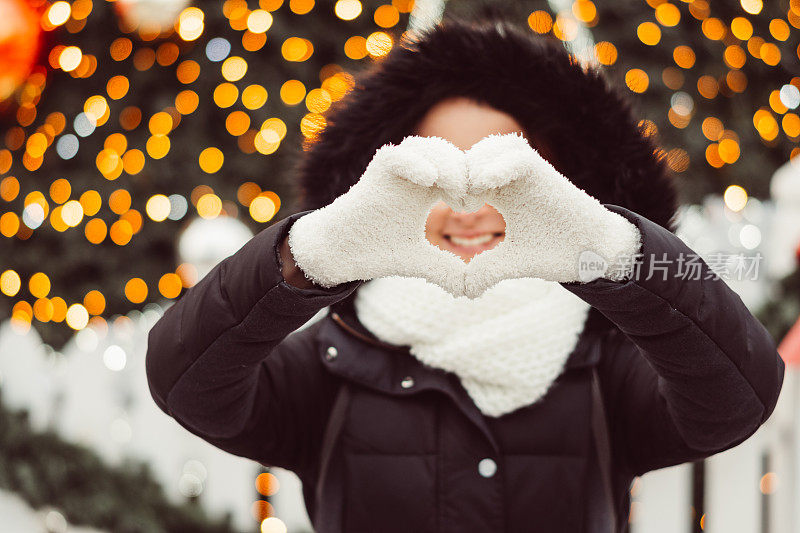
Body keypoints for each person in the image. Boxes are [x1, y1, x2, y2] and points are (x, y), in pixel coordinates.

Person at [145, 17, 784, 533]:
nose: (469, 205)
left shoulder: (602, 361)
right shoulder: (334, 360)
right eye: (435, 172)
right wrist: (312, 254)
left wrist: (613, 252)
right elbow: (186, 381)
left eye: (506, 174)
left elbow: (737, 400)